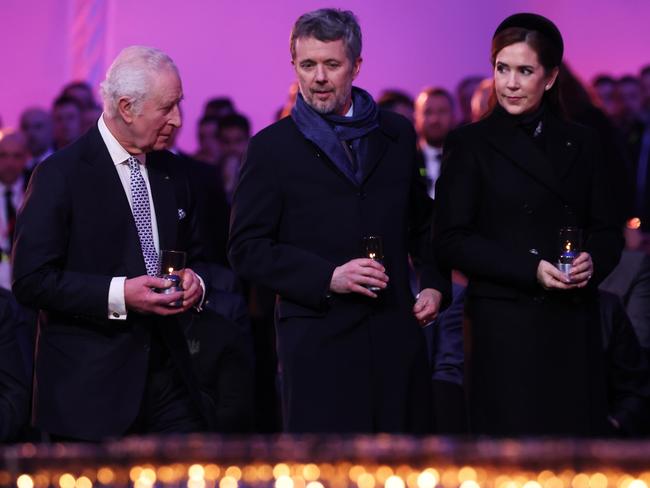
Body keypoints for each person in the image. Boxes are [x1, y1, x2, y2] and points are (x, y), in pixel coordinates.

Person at [229, 8, 450, 433]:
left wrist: (436, 284)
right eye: (307, 65)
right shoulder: (271, 148)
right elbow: (246, 249)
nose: (318, 78)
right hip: (317, 344)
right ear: (294, 64)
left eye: (331, 64)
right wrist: (327, 276)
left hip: (393, 336)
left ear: (356, 66)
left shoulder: (397, 133)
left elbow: (422, 222)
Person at [434, 13, 623, 436]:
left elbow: (608, 230)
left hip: (572, 322)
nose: (511, 83)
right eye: (502, 69)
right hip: (504, 325)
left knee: (575, 459)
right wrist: (530, 269)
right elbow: (450, 239)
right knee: (510, 459)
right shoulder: (470, 144)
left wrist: (594, 261)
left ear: (551, 77)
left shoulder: (584, 141)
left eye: (525, 71)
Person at [12, 46, 210, 441]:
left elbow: (202, 256)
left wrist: (196, 283)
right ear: (126, 107)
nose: (178, 120)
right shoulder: (60, 175)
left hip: (171, 386)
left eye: (179, 104)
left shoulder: (176, 173)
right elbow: (30, 279)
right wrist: (121, 294)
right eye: (167, 107)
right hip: (89, 394)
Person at [414, 87, 456, 198]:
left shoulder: (467, 157)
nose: (435, 119)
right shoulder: (407, 160)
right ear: (415, 117)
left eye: (442, 111)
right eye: (428, 112)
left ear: (454, 116)